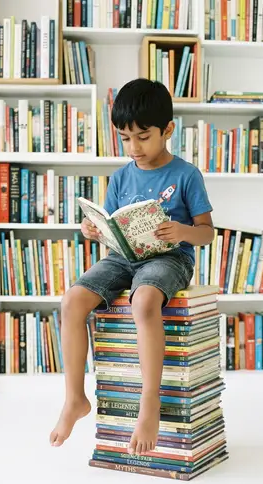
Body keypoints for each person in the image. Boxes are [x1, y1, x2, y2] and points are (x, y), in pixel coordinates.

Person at [49, 78, 214, 455]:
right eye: (125, 138)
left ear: (168, 130)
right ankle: (75, 397)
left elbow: (207, 234)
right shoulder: (122, 175)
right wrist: (93, 229)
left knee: (143, 302)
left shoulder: (186, 175)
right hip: (122, 255)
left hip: (170, 257)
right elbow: (112, 225)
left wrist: (183, 230)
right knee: (72, 300)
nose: (134, 147)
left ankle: (149, 400)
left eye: (143, 136)